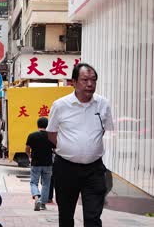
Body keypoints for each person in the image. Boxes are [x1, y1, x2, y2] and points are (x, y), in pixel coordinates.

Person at [47, 63, 113, 227]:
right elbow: (51, 134)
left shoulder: (103, 104)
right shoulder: (60, 105)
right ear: (74, 82)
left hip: (94, 169)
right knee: (66, 215)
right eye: (85, 80)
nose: (90, 84)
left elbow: (104, 131)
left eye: (93, 80)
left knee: (93, 217)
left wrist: (87, 147)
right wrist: (70, 149)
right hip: (66, 168)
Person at [25, 117, 55, 211]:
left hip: (35, 163)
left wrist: (29, 156)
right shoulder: (51, 136)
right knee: (46, 184)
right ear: (47, 125)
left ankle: (36, 198)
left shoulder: (32, 135)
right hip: (48, 164)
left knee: (34, 182)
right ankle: (43, 204)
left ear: (38, 125)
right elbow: (55, 149)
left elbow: (27, 148)